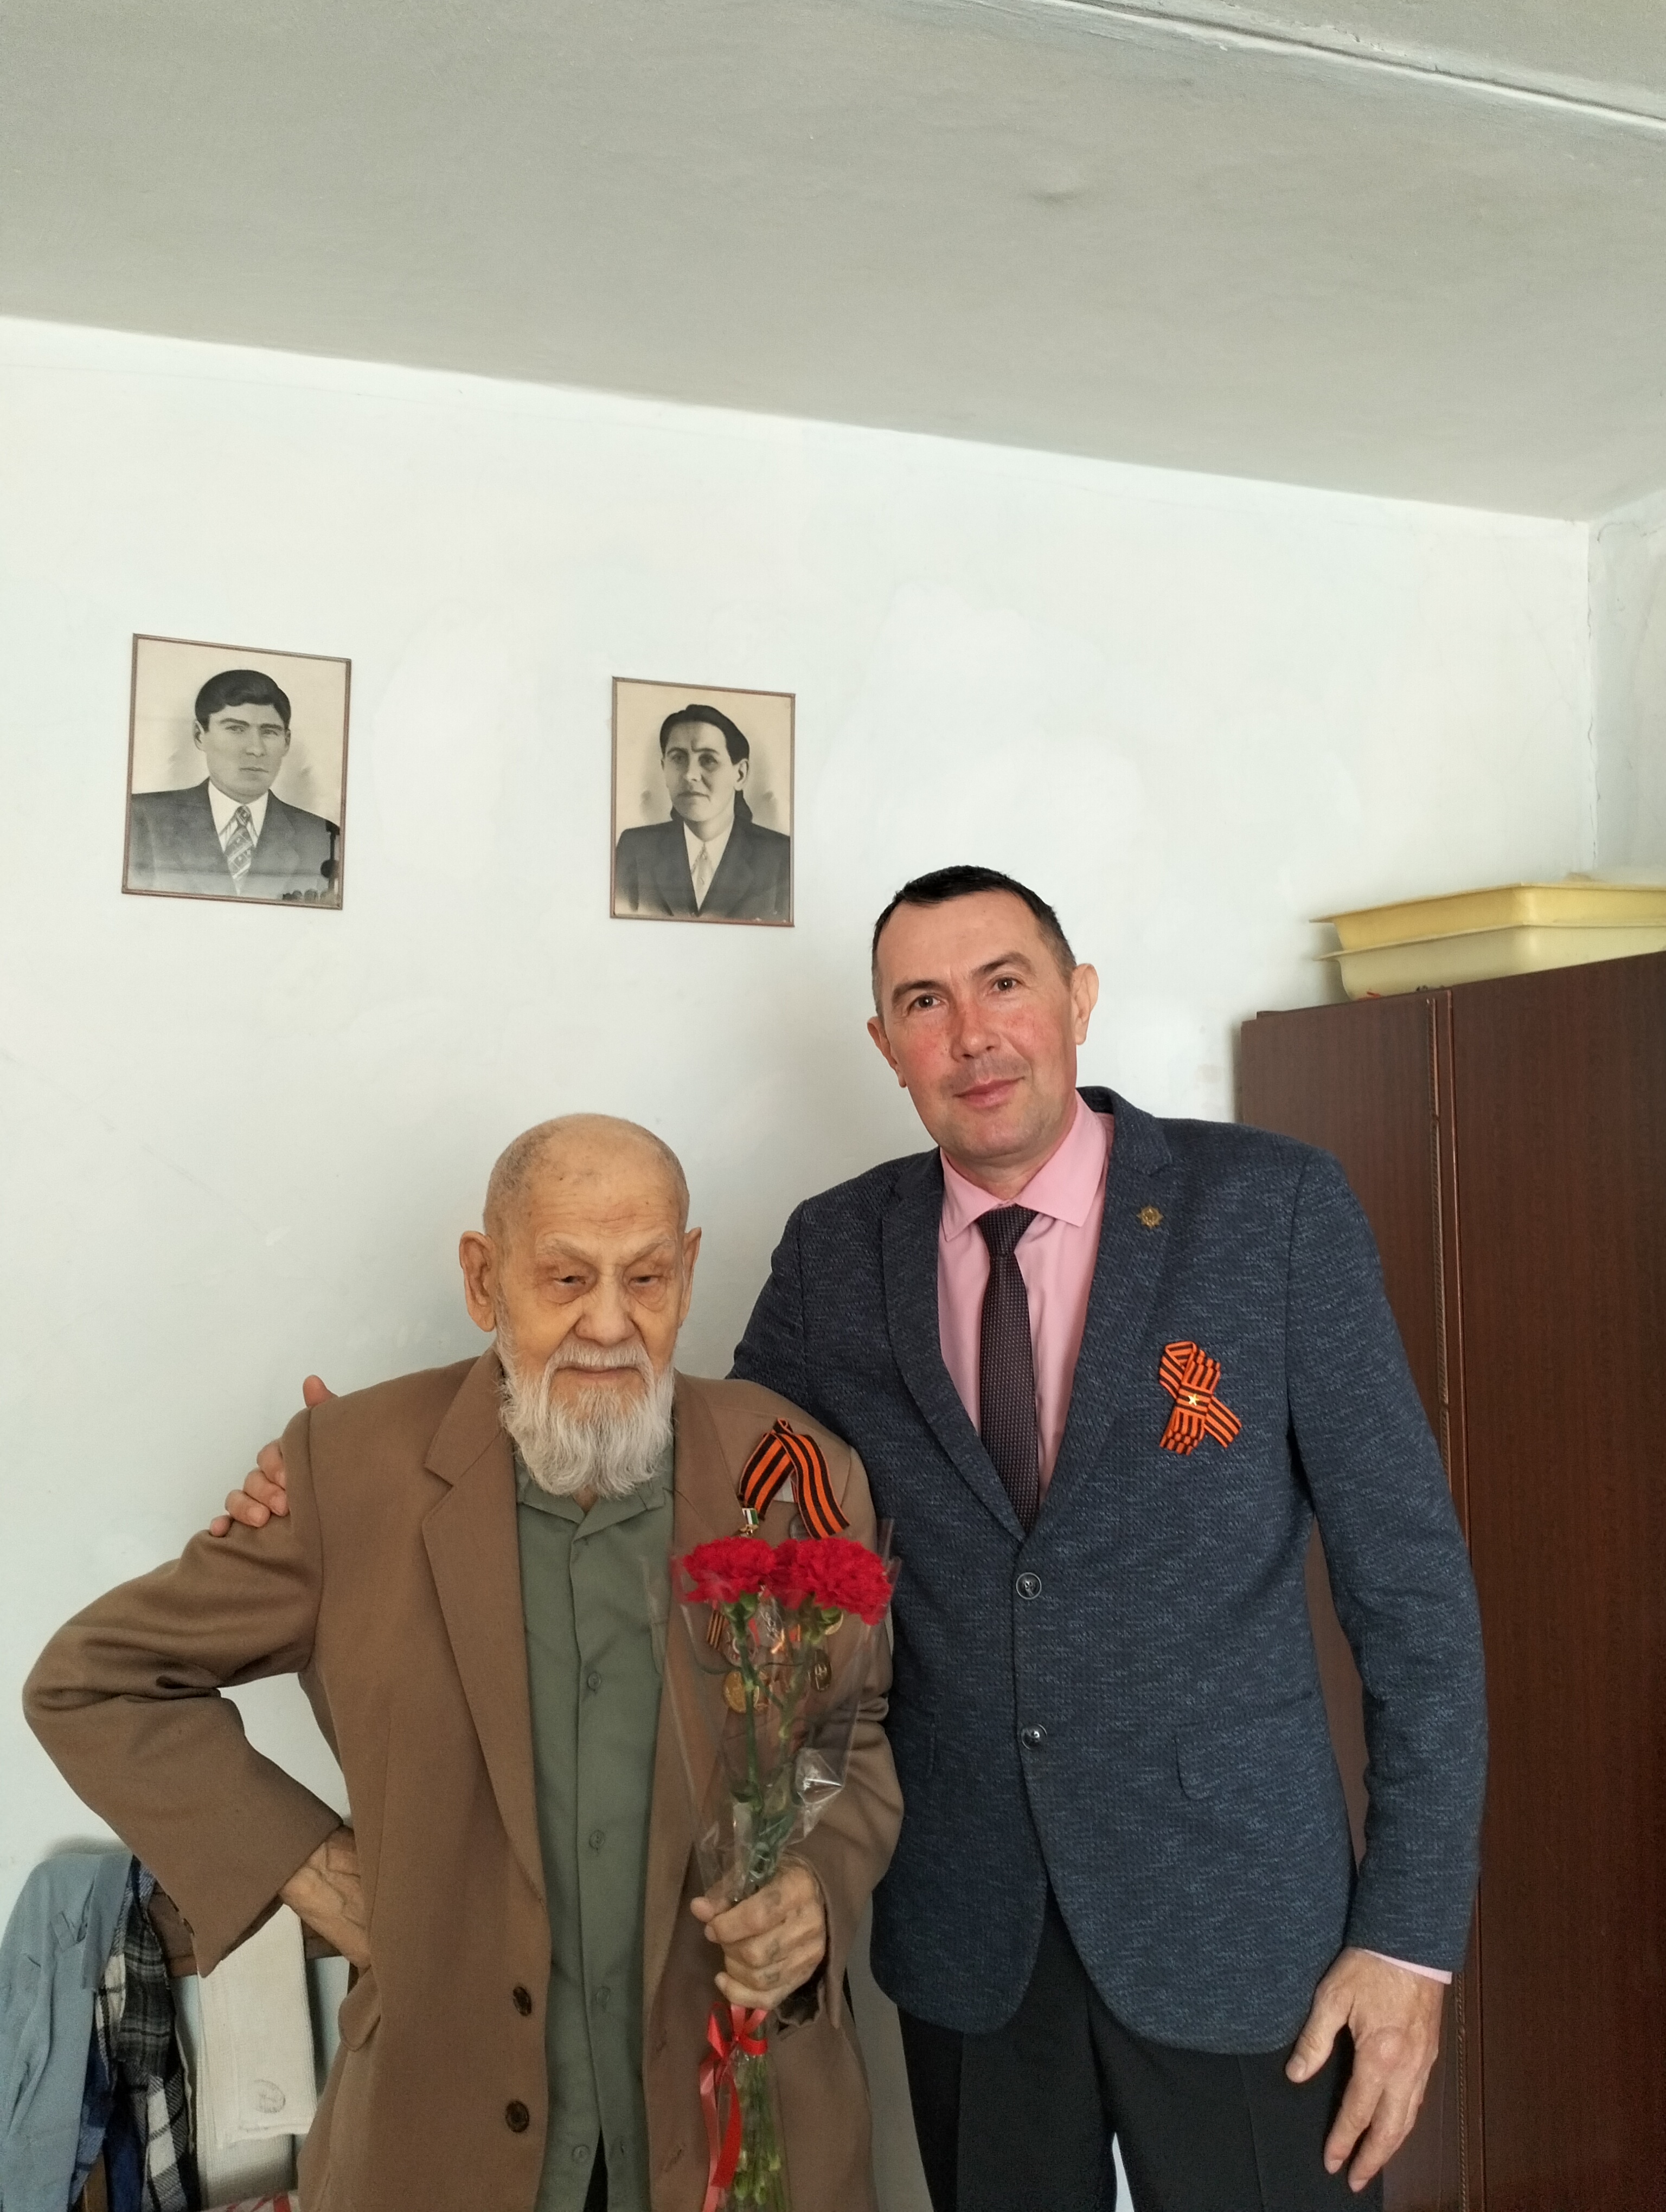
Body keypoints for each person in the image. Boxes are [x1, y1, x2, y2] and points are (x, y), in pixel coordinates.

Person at [214, 869, 1488, 2212]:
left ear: (1077, 997)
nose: (971, 1034)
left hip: (1241, 1933)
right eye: (922, 1003)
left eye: (1004, 982)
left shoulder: (1269, 1211)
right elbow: (701, 1482)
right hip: (972, 1947)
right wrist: (366, 1477)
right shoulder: (837, 1253)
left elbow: (1413, 1598)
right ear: (885, 1044)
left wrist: (1407, 1942)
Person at [27, 1115, 901, 2212]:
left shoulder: (793, 1470)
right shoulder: (349, 1468)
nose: (609, 1323)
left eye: (645, 1278)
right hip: (440, 2138)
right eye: (566, 1278)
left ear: (687, 1271)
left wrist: (816, 1889)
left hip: (742, 2131)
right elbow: (93, 1681)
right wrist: (307, 1864)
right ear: (485, 1280)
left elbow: (856, 1731)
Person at [126, 668, 341, 903]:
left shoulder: (322, 837)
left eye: (269, 732)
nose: (256, 749)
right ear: (199, 735)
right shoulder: (140, 819)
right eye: (236, 729)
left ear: (286, 742)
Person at [613, 704, 790, 923]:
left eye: (708, 760)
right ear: (664, 768)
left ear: (740, 775)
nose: (690, 775)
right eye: (678, 758)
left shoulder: (781, 857)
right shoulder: (635, 849)